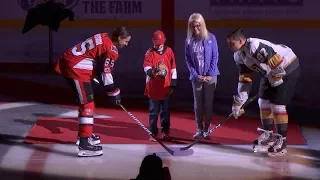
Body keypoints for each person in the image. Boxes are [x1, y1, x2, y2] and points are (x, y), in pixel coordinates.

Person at [54, 26, 132, 157]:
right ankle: (84, 144)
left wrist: (100, 80)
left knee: (87, 101)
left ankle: (85, 135)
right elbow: (106, 72)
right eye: (126, 41)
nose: (126, 44)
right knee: (87, 104)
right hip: (76, 67)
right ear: (119, 38)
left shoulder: (104, 35)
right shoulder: (112, 50)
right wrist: (114, 92)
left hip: (70, 60)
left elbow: (96, 61)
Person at [226, 28, 300, 156]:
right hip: (270, 72)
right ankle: (268, 136)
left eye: (231, 43)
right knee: (263, 102)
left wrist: (277, 76)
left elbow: (276, 61)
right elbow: (245, 79)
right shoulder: (238, 56)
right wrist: (239, 102)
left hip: (287, 66)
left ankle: (282, 140)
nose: (229, 46)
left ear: (240, 40)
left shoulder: (254, 45)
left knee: (277, 105)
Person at [184, 13, 220, 139]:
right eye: (193, 26)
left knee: (208, 103)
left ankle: (207, 129)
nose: (196, 29)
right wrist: (196, 75)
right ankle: (199, 128)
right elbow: (188, 59)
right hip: (196, 78)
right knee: (198, 104)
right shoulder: (189, 41)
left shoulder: (211, 38)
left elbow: (215, 57)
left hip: (211, 77)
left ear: (202, 25)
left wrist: (209, 74)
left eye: (198, 26)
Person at [143, 30, 177, 142]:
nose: (159, 46)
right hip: (153, 88)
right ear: (153, 41)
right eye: (157, 43)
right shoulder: (149, 53)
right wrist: (152, 72)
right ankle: (153, 132)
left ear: (164, 41)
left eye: (161, 43)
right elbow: (146, 67)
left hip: (165, 87)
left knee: (165, 111)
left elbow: (173, 68)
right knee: (153, 112)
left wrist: (173, 83)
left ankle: (165, 131)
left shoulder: (169, 52)